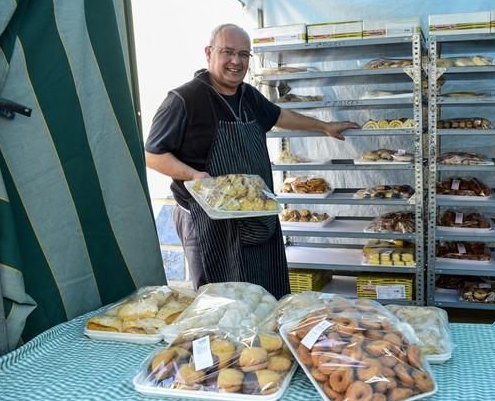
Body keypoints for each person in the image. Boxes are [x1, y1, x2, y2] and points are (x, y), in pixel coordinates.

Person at [145, 23, 358, 297]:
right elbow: (153, 154)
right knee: (220, 302)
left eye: (244, 55)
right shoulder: (184, 99)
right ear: (209, 52)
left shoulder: (248, 96)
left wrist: (324, 126)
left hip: (257, 217)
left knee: (264, 296)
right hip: (210, 225)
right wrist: (193, 175)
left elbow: (280, 116)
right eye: (228, 52)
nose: (236, 61)